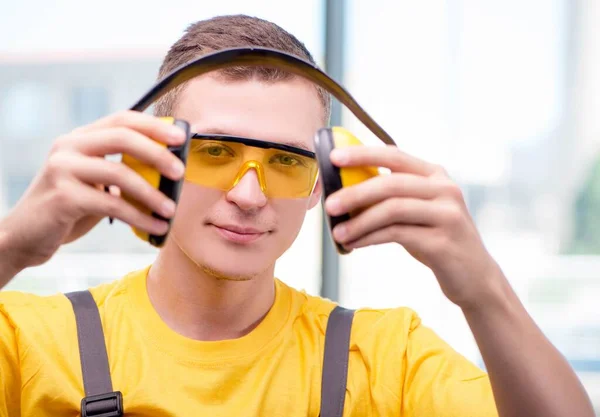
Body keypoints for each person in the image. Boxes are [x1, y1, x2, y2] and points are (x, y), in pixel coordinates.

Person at [0, 14, 594, 417]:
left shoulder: (387, 358)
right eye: (216, 152)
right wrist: (14, 245)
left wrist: (483, 289)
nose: (250, 194)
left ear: (322, 182)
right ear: (158, 161)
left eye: (286, 161)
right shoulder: (30, 341)